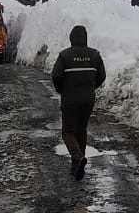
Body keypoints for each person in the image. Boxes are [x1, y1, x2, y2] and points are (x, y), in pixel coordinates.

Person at [51, 25, 106, 180]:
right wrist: (91, 87)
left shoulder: (65, 55)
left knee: (68, 132)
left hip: (70, 99)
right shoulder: (95, 55)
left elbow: (56, 75)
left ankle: (77, 157)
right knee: (81, 130)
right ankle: (77, 164)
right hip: (88, 99)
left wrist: (61, 89)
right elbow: (102, 75)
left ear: (71, 38)